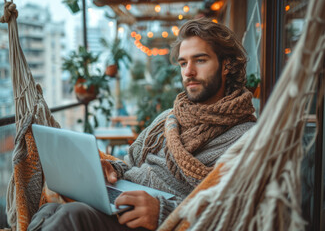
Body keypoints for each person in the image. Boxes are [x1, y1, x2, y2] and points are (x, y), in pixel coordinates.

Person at [28, 18, 257, 231]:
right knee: (50, 210)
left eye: (200, 60)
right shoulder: (168, 119)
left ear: (226, 65)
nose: (189, 72)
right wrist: (111, 171)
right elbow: (130, 163)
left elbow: (238, 212)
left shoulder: (245, 138)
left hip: (158, 222)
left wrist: (164, 212)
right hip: (124, 201)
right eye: (183, 62)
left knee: (72, 215)